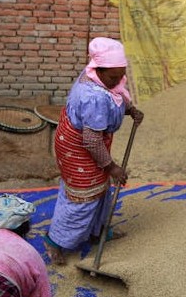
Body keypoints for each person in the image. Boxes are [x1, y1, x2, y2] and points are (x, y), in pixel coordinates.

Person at [45, 37, 144, 265]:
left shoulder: (104, 78)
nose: (118, 80)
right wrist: (111, 167)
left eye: (121, 75)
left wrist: (131, 110)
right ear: (98, 70)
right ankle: (55, 241)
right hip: (78, 147)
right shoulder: (93, 97)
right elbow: (91, 141)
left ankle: (98, 230)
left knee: (101, 190)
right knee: (82, 197)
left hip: (93, 141)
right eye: (113, 77)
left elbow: (117, 94)